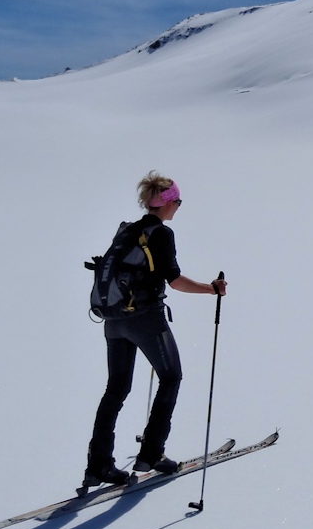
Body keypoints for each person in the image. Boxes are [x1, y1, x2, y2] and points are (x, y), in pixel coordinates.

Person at [83, 171, 226, 488]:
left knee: (116, 389)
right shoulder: (160, 234)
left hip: (114, 320)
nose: (178, 207)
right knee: (171, 376)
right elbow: (174, 281)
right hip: (146, 319)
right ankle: (152, 453)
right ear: (165, 203)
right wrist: (212, 289)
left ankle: (98, 466)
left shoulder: (128, 231)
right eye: (177, 201)